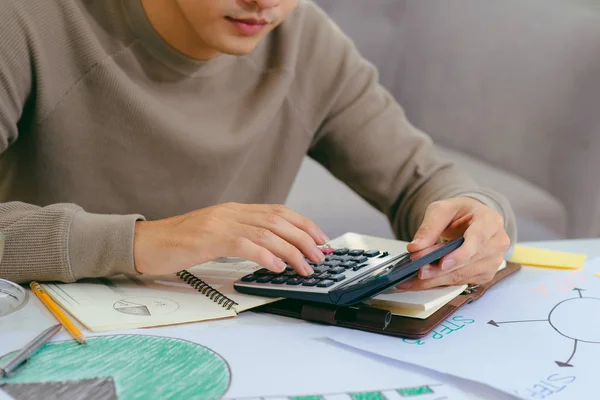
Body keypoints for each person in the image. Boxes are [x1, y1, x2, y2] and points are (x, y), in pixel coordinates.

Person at [0, 0, 515, 290]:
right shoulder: (26, 20)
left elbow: (421, 179)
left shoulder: (306, 40)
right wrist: (145, 241)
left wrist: (476, 218)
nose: (265, 2)